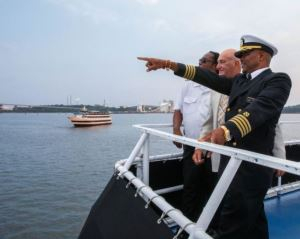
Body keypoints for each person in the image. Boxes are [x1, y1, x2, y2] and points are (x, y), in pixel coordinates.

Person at [137, 34, 292, 239]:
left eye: (245, 54)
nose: (241, 58)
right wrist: (170, 65)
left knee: (233, 223)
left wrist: (225, 131)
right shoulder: (240, 81)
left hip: (252, 166)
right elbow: (207, 77)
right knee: (253, 219)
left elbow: (259, 110)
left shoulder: (277, 80)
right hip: (230, 161)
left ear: (261, 57)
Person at [197, 49, 286, 175]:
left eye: (222, 62)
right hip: (220, 153)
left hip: (248, 155)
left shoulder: (255, 85)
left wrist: (279, 158)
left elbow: (271, 123)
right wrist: (200, 145)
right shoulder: (215, 90)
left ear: (236, 63)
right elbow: (210, 122)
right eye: (217, 63)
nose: (218, 67)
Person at [173, 51, 219, 222]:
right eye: (199, 59)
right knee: (190, 186)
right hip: (191, 145)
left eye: (204, 60)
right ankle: (187, 225)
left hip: (213, 147)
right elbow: (177, 109)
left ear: (215, 66)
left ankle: (211, 226)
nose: (199, 62)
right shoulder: (188, 85)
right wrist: (176, 130)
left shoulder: (220, 87)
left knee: (212, 187)